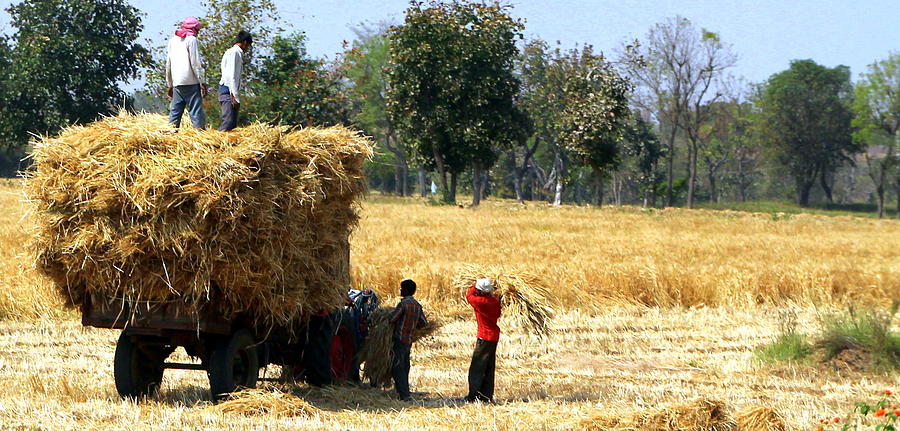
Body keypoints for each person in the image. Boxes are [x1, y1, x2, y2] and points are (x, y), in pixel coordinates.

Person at [166, 17, 208, 129]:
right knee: (196, 111)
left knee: (175, 111)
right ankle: (200, 134)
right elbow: (195, 63)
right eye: (197, 30)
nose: (197, 33)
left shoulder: (172, 41)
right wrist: (202, 82)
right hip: (191, 81)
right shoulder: (192, 40)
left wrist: (170, 84)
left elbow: (168, 65)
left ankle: (170, 134)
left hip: (177, 82)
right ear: (194, 29)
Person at [390, 279, 427, 401]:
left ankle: (404, 394)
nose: (400, 290)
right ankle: (404, 391)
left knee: (397, 366)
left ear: (405, 290)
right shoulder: (417, 305)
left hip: (400, 338)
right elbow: (423, 323)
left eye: (402, 288)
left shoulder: (403, 304)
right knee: (405, 365)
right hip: (409, 339)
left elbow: (392, 319)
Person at [465, 278, 501, 403]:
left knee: (477, 367)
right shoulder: (495, 301)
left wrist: (474, 285)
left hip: (484, 337)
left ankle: (473, 396)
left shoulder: (481, 302)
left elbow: (469, 296)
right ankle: (486, 396)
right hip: (494, 336)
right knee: (489, 367)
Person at [218, 31, 252, 131]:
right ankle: (216, 142)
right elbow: (231, 75)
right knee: (228, 122)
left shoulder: (233, 52)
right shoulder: (235, 52)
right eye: (248, 46)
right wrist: (235, 96)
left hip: (229, 89)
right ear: (245, 42)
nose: (247, 48)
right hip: (228, 89)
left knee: (232, 124)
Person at [348, 288, 379, 384]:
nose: (367, 300)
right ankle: (355, 377)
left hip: (365, 335)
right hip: (359, 334)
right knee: (357, 356)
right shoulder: (357, 308)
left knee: (368, 357)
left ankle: (372, 379)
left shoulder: (368, 308)